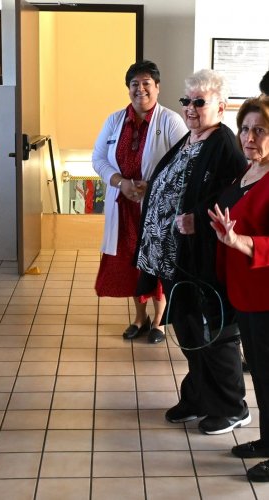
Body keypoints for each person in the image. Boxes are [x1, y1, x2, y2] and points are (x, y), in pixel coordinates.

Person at [135, 69, 249, 435]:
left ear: (221, 105)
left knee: (214, 332)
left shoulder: (225, 144)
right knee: (187, 330)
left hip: (202, 260)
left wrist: (197, 218)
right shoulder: (192, 138)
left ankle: (232, 405)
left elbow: (233, 198)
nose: (190, 108)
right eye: (187, 101)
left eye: (200, 102)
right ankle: (198, 394)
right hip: (174, 259)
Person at [92, 60, 187, 344]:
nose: (140, 89)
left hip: (157, 209)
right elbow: (97, 159)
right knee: (132, 262)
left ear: (157, 88)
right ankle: (139, 317)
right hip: (124, 207)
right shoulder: (114, 120)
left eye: (147, 83)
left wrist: (152, 186)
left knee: (155, 261)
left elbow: (184, 162)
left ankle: (158, 321)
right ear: (128, 89)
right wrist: (121, 182)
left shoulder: (170, 120)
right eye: (135, 84)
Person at [208, 96, 269, 481]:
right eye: (245, 129)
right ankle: (266, 441)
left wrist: (240, 243)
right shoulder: (247, 172)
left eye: (260, 130)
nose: (249, 137)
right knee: (260, 374)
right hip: (245, 292)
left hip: (265, 294)